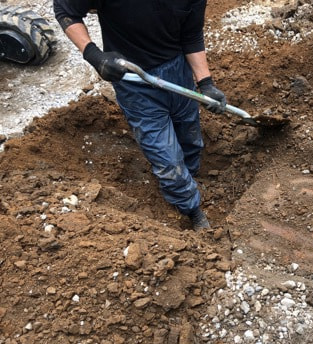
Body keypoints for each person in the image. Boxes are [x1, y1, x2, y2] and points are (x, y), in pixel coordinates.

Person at [53, 0, 227, 231]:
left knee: (190, 136)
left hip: (178, 70)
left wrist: (205, 83)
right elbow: (65, 10)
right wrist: (94, 55)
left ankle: (191, 175)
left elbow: (191, 34)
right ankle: (190, 208)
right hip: (134, 80)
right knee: (166, 158)